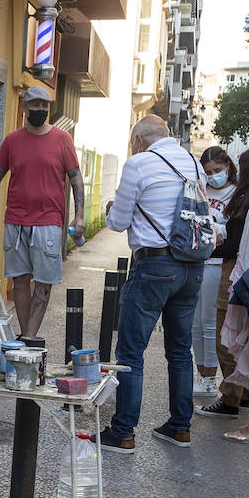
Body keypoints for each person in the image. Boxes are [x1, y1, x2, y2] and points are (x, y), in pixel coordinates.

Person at [99, 115, 206, 453]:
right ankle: (180, 426)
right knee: (179, 349)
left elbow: (117, 223)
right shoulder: (193, 162)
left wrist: (111, 208)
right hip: (192, 266)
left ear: (138, 141)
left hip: (154, 266)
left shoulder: (139, 164)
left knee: (131, 352)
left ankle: (123, 431)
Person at [0, 84, 85, 337]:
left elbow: (76, 179)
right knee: (20, 281)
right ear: (25, 107)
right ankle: (26, 338)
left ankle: (29, 338)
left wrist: (79, 215)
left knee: (43, 284)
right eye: (35, 105)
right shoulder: (12, 140)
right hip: (16, 221)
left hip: (48, 223)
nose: (40, 110)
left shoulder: (62, 139)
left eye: (45, 106)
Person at [196, 147, 249, 419]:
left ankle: (231, 398)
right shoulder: (243, 197)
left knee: (224, 336)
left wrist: (205, 249)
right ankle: (243, 395)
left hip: (234, 270)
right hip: (240, 270)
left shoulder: (243, 198)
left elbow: (233, 244)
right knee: (242, 336)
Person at [192, 145, 238, 401]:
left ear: (228, 167)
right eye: (208, 171)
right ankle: (202, 375)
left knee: (210, 325)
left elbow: (234, 232)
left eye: (218, 170)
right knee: (194, 325)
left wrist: (217, 227)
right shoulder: (201, 189)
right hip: (198, 259)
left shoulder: (236, 193)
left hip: (219, 264)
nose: (213, 176)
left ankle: (211, 379)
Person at [219, 183, 249, 441]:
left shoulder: (246, 202)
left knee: (239, 346)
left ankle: (247, 423)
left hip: (245, 280)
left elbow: (242, 249)